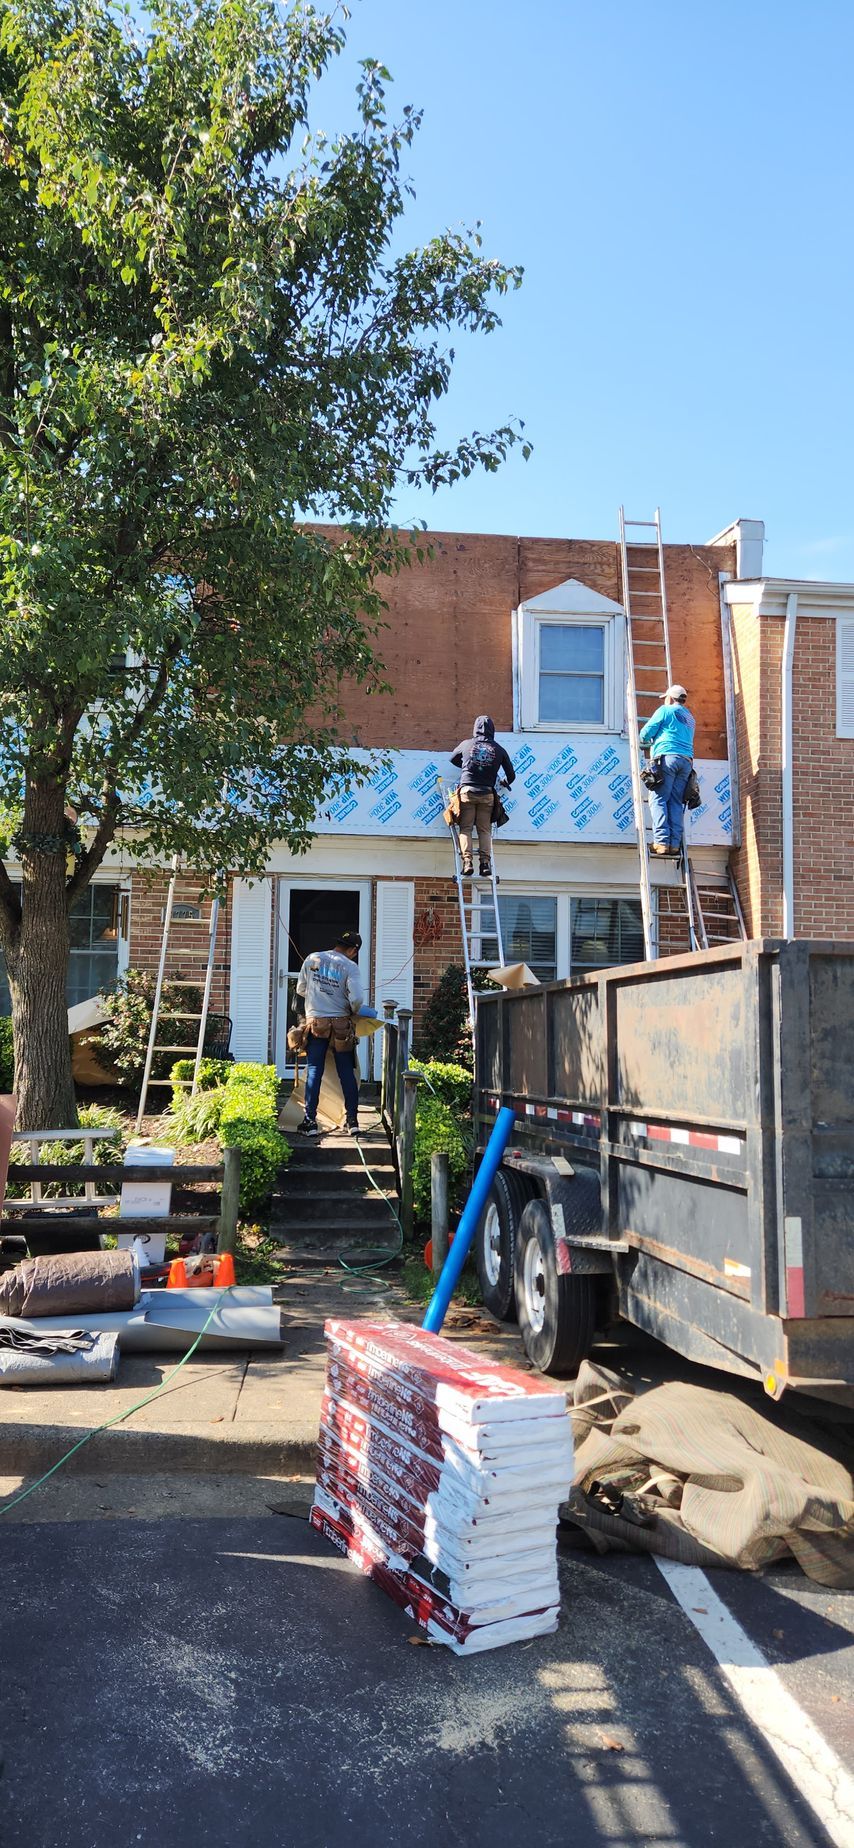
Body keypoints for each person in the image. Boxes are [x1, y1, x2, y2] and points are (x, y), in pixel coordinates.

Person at [295, 930, 364, 1137]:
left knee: (315, 1070)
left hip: (316, 1024)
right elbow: (358, 998)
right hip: (341, 1026)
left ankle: (310, 1122)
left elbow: (301, 989)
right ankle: (352, 1121)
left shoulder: (313, 958)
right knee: (346, 1072)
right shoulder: (350, 967)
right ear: (353, 950)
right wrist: (351, 1008)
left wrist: (320, 999)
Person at [450, 715, 516, 877]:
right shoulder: (499, 749)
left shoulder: (466, 744)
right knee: (484, 830)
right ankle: (485, 864)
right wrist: (504, 781)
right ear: (492, 730)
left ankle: (467, 863)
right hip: (487, 794)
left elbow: (452, 759)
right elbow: (511, 775)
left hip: (467, 792)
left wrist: (466, 765)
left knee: (465, 828)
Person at [638, 684, 696, 856]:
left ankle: (662, 842)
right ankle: (674, 844)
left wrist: (645, 742)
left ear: (670, 698)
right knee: (675, 802)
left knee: (658, 799)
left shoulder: (665, 710)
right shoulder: (690, 718)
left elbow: (646, 732)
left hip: (668, 759)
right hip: (686, 762)